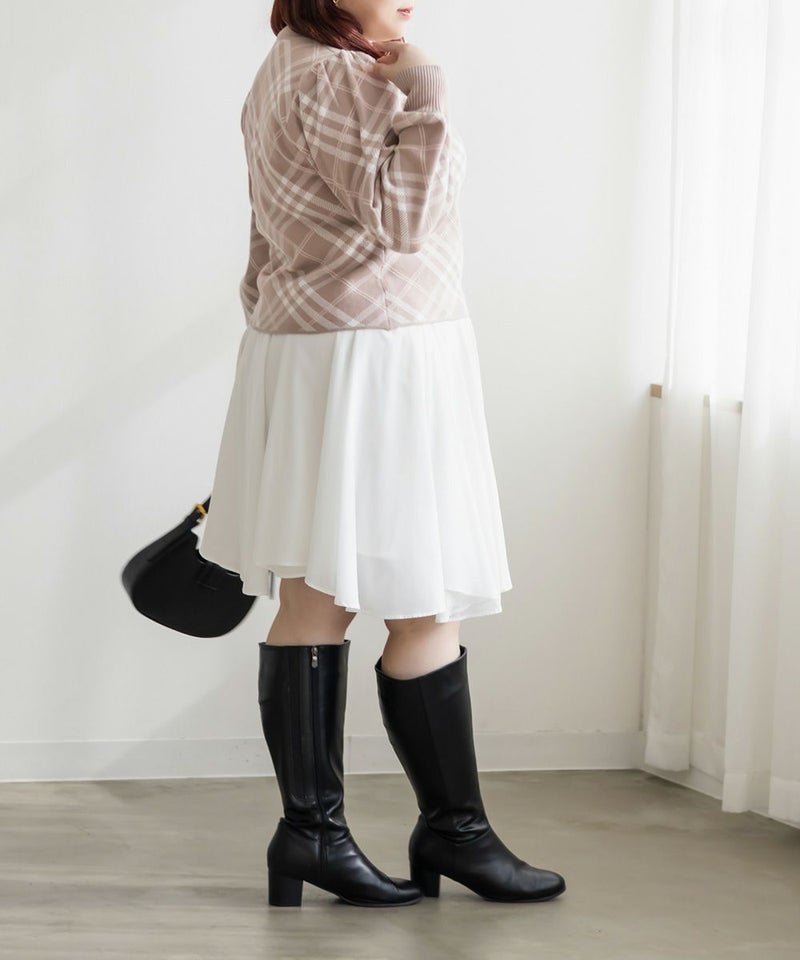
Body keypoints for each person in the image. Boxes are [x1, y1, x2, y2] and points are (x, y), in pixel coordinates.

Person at [197, 0, 566, 908]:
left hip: (321, 349)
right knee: (421, 600)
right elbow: (405, 221)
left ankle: (317, 837)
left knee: (318, 598)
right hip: (379, 352)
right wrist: (426, 89)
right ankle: (450, 834)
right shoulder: (339, 75)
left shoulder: (286, 65)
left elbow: (264, 236)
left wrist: (286, 316)